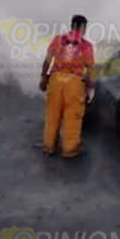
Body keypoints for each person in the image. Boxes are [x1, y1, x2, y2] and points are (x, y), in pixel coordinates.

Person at [40, 15, 95, 158]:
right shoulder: (87, 46)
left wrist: (44, 78)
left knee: (52, 114)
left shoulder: (58, 40)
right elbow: (90, 71)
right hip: (74, 83)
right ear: (83, 28)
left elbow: (47, 61)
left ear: (72, 26)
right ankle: (69, 149)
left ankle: (49, 146)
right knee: (72, 116)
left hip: (56, 80)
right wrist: (90, 89)